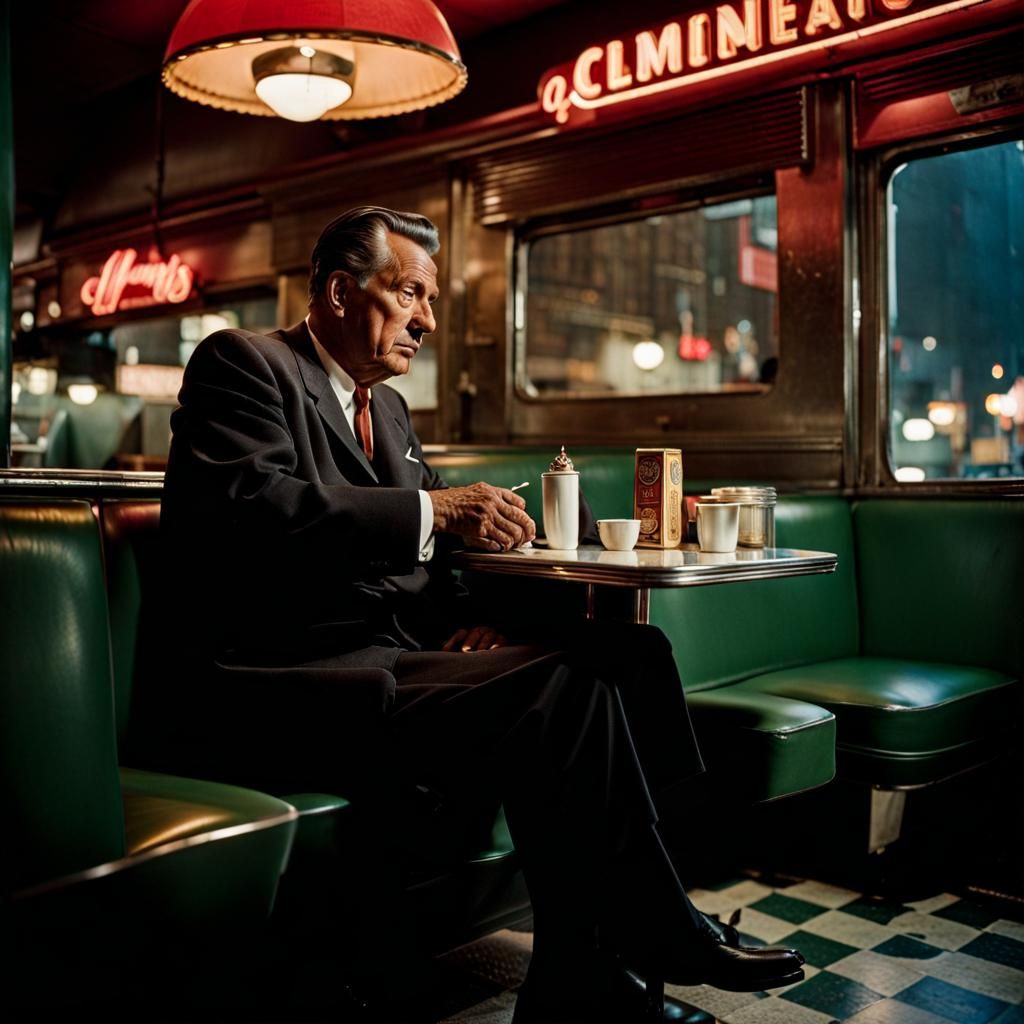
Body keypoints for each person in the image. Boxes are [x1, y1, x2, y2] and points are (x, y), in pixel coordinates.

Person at [160, 207, 804, 1023]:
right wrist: (438, 508)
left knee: (628, 652)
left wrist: (482, 622)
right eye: (411, 295)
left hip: (394, 658)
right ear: (336, 291)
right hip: (279, 679)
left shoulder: (386, 409)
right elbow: (259, 510)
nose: (427, 320)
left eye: (431, 301)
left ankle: (620, 936)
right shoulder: (245, 365)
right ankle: (628, 947)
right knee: (560, 692)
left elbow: (426, 554)